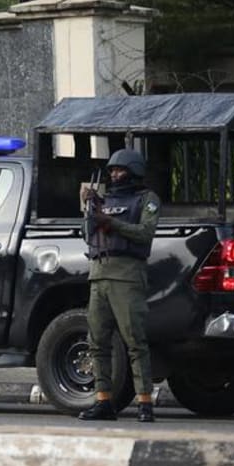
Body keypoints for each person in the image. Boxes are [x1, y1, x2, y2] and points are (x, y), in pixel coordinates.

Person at [77, 148, 161, 422]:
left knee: (135, 341)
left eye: (119, 170)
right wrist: (89, 208)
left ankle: (145, 402)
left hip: (127, 275)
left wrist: (110, 222)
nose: (114, 174)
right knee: (97, 342)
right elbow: (87, 234)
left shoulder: (146, 199)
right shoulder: (105, 199)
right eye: (111, 170)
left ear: (134, 171)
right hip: (98, 273)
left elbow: (145, 232)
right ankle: (103, 400)